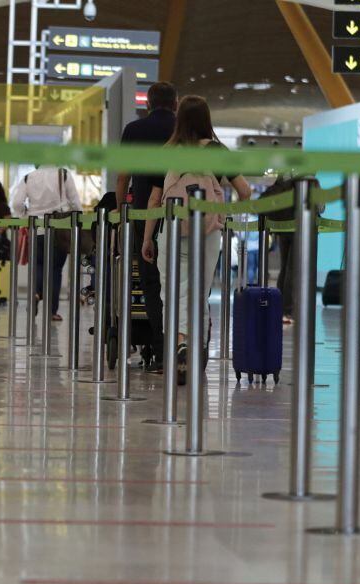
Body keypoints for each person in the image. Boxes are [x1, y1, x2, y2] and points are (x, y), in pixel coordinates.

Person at [142, 95, 252, 385]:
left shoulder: (168, 151)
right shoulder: (217, 150)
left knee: (171, 292)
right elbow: (245, 190)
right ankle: (192, 351)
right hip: (208, 231)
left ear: (180, 120)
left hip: (172, 227)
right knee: (199, 292)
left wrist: (147, 239)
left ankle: (177, 343)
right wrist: (225, 215)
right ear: (206, 120)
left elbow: (155, 198)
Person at [115, 82, 179, 372]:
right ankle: (188, 348)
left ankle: (160, 349)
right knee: (185, 284)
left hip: (144, 215)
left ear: (148, 104)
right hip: (186, 215)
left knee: (152, 285)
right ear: (175, 104)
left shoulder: (134, 130)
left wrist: (119, 210)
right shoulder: (186, 130)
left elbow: (122, 176)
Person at [9, 164, 82, 320]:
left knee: (38, 266)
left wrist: (25, 216)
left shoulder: (29, 177)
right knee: (55, 271)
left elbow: (16, 203)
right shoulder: (63, 174)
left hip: (37, 230)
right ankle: (52, 311)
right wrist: (78, 219)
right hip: (60, 231)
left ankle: (36, 293)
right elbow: (75, 202)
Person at [261, 174, 296, 323]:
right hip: (300, 228)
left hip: (282, 228)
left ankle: (280, 306)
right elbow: (320, 206)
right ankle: (289, 310)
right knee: (293, 269)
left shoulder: (284, 177)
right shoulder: (308, 180)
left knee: (285, 268)